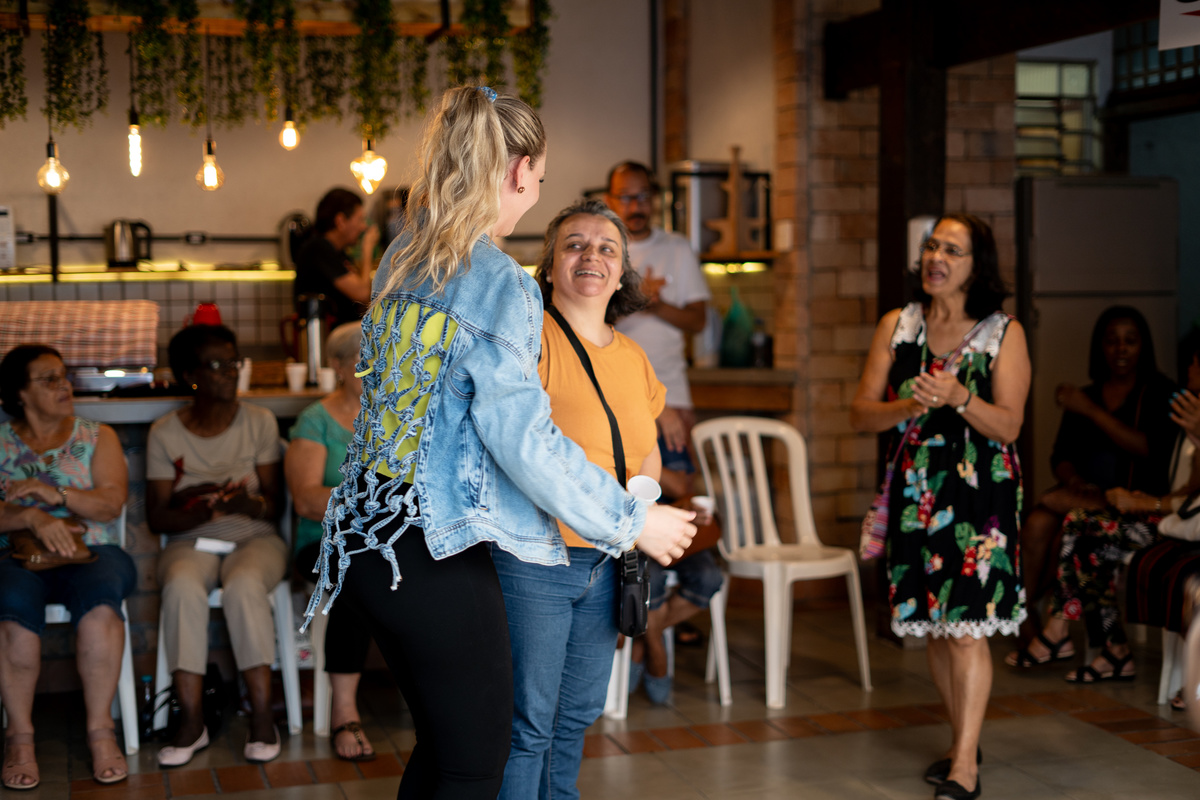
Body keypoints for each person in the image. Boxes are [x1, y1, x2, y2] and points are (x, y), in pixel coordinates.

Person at [302, 86, 695, 800]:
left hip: (362, 538)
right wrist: (632, 517)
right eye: (538, 181)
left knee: (448, 752)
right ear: (517, 171)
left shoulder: (403, 255)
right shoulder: (498, 281)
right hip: (427, 546)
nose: (533, 196)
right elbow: (524, 440)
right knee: (477, 765)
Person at [850, 214, 1030, 800]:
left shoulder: (1005, 332)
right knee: (934, 628)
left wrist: (959, 397)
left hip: (982, 498)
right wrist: (907, 406)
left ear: (977, 266)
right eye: (932, 246)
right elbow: (859, 413)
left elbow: (1009, 425)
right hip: (914, 496)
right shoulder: (897, 326)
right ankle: (962, 742)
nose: (937, 257)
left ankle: (965, 769)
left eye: (952, 249)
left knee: (967, 631)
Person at [492, 199, 663, 797]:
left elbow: (647, 450)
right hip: (536, 559)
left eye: (606, 248)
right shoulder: (528, 338)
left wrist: (643, 515)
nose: (591, 256)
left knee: (574, 718)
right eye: (574, 244)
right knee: (529, 724)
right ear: (549, 265)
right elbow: (521, 448)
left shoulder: (634, 355)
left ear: (621, 273)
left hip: (610, 559)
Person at [1008, 316, 1185, 682]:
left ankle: (1056, 630)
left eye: (1130, 340)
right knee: (1044, 520)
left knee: (1072, 529)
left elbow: (1148, 450)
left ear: (1144, 346)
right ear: (1100, 347)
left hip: (1137, 505)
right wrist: (1074, 480)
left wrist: (1088, 410)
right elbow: (1061, 455)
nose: (1120, 349)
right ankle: (1055, 628)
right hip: (1093, 500)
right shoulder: (1089, 392)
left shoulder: (1161, 395)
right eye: (1112, 341)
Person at [146, 325, 286, 767]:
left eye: (233, 363)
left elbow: (274, 505)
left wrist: (246, 502)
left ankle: (262, 716)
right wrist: (204, 510)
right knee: (182, 587)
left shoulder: (259, 421)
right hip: (190, 540)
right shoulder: (165, 432)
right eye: (217, 365)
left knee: (245, 586)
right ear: (190, 375)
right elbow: (157, 516)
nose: (230, 373)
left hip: (255, 539)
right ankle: (190, 720)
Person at [0, 345, 133, 790]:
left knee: (100, 604)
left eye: (65, 377)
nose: (64, 387)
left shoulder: (97, 436)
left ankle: (101, 733)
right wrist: (31, 517)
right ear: (19, 393)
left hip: (93, 550)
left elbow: (111, 503)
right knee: (13, 607)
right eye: (49, 379)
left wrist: (52, 495)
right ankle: (19, 739)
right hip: (16, 555)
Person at [284, 322, 376, 761]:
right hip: (322, 545)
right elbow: (305, 499)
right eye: (360, 356)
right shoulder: (315, 421)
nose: (370, 365)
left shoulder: (396, 417)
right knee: (352, 570)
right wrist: (375, 503)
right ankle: (344, 710)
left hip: (383, 543)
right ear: (338, 367)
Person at [606, 161, 710, 455]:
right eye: (625, 196)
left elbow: (698, 321)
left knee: (680, 484)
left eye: (643, 196)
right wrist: (636, 298)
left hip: (672, 390)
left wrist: (657, 305)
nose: (635, 206)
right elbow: (587, 323)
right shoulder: (603, 249)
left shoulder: (677, 247)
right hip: (614, 393)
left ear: (654, 200)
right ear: (609, 200)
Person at [1124, 331, 1200, 705]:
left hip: (1177, 523)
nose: (1189, 370)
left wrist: (1150, 505)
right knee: (1080, 525)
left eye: (1194, 363)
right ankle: (1108, 648)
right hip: (1184, 523)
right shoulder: (1189, 415)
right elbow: (1191, 491)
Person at [293, 187, 378, 328]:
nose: (363, 227)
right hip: (326, 334)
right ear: (341, 221)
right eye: (360, 220)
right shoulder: (318, 249)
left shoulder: (338, 252)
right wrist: (367, 249)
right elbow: (362, 294)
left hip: (340, 331)